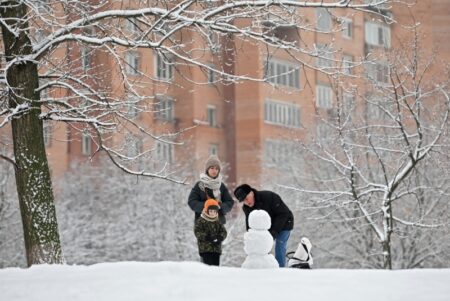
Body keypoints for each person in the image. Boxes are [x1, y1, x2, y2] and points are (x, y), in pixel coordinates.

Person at [234, 183, 294, 267]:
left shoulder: (269, 197)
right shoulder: (247, 208)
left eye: (247, 198)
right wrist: (251, 238)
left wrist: (273, 232)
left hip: (284, 222)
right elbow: (250, 224)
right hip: (266, 228)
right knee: (262, 248)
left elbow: (283, 214)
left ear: (251, 193)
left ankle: (280, 270)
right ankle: (265, 269)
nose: (246, 202)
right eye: (244, 201)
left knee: (279, 246)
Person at [188, 155, 234, 225]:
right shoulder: (200, 185)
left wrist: (220, 207)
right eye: (212, 168)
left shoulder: (221, 186)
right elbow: (192, 202)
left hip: (218, 224)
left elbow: (230, 202)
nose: (214, 170)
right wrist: (206, 206)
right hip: (202, 224)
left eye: (216, 169)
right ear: (207, 169)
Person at [194, 199, 227, 266]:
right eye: (210, 211)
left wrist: (220, 237)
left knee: (215, 267)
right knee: (207, 267)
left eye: (214, 211)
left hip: (216, 249)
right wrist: (206, 237)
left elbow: (224, 232)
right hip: (205, 249)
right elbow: (197, 231)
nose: (212, 213)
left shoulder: (218, 221)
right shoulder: (201, 221)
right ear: (206, 210)